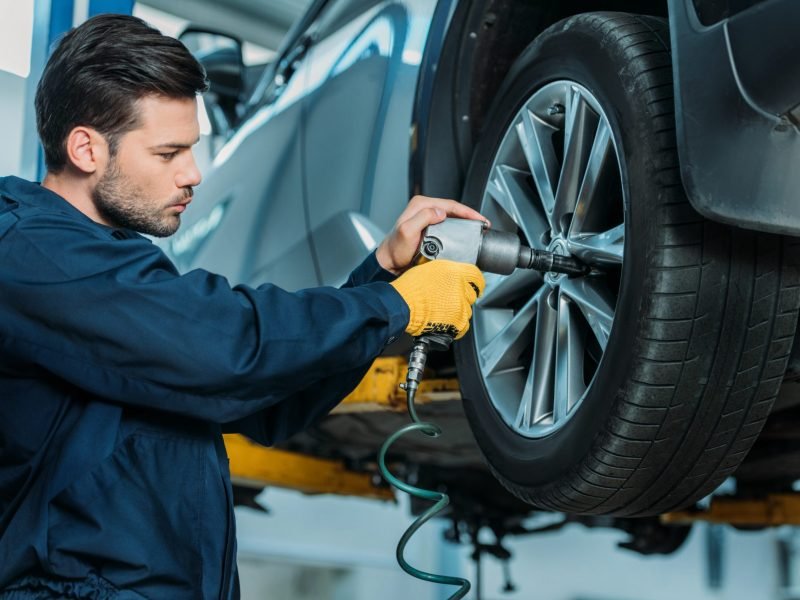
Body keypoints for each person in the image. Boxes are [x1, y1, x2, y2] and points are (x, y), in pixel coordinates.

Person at [0, 13, 486, 600]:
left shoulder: (109, 271)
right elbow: (225, 347)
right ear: (86, 148)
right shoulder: (31, 252)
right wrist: (389, 306)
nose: (193, 174)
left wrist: (380, 272)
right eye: (168, 153)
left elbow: (267, 399)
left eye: (192, 149)